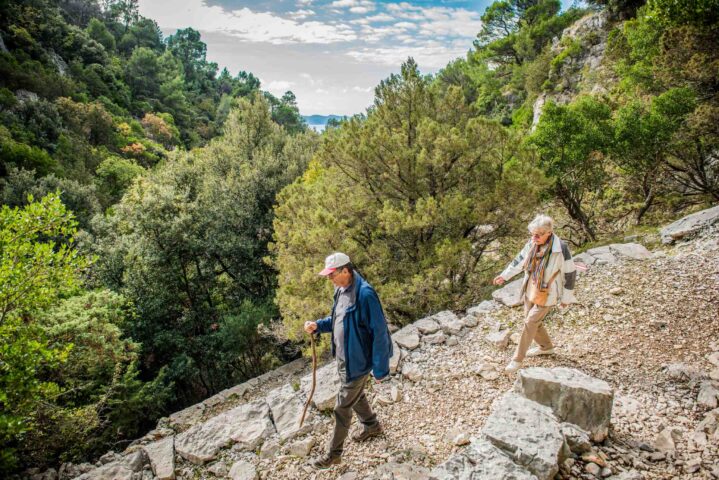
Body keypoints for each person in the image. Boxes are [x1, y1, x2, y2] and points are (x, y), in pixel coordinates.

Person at [304, 252, 393, 469]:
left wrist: (381, 369)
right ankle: (372, 426)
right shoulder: (341, 290)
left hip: (359, 361)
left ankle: (334, 454)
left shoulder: (365, 294)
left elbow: (380, 333)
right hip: (344, 359)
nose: (330, 279)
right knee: (357, 394)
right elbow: (337, 320)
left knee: (342, 407)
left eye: (332, 274)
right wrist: (318, 325)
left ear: (346, 270)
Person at [493, 215, 577, 374]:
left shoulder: (561, 249)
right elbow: (518, 261)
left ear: (549, 233)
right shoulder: (532, 243)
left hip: (548, 291)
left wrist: (566, 297)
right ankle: (546, 347)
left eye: (539, 234)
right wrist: (504, 276)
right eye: (533, 234)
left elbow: (570, 273)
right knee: (533, 322)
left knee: (530, 322)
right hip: (530, 288)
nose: (534, 237)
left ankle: (517, 359)